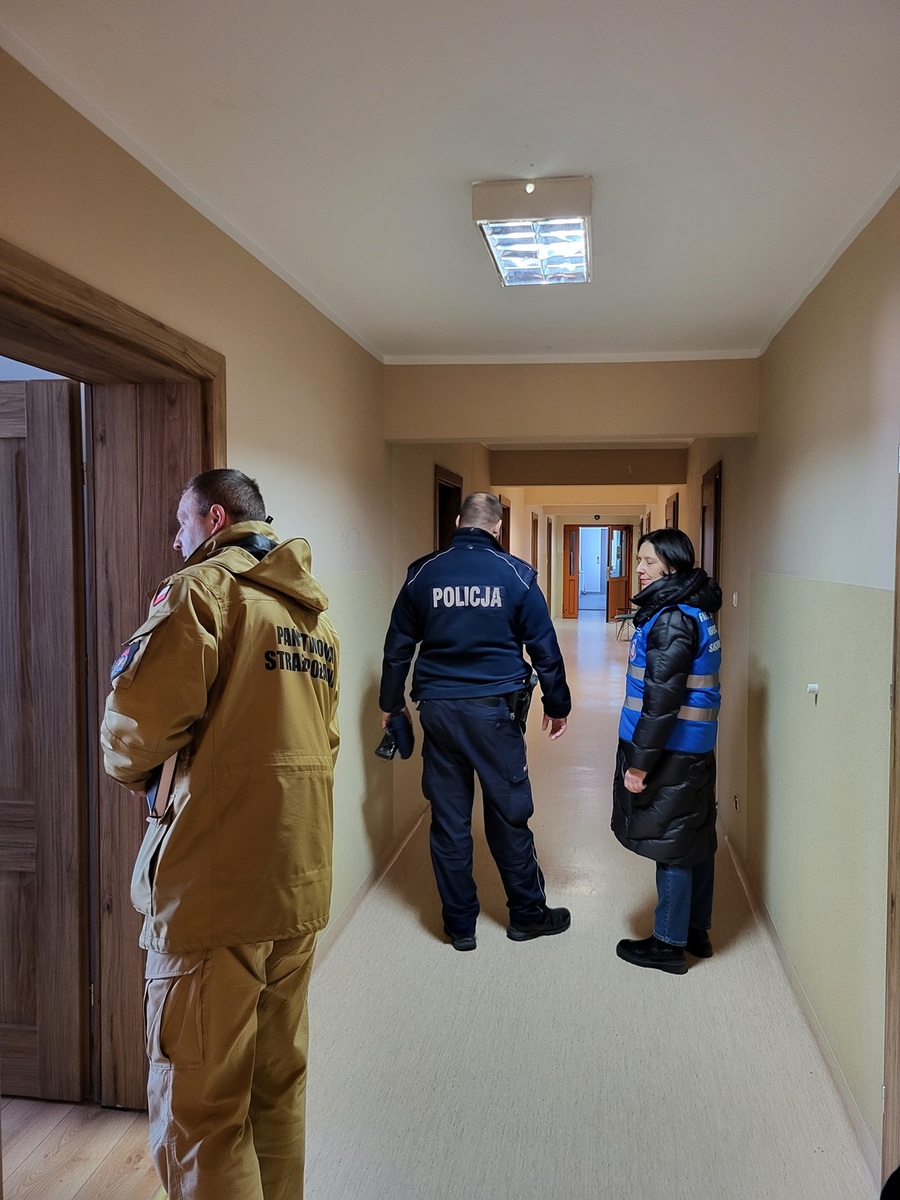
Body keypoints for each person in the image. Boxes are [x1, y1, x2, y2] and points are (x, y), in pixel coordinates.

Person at [101, 468, 339, 1200]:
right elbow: (325, 744)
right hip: (297, 882)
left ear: (213, 519)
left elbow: (131, 737)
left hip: (214, 890)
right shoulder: (313, 618)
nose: (176, 542)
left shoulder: (202, 594)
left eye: (181, 525)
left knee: (203, 1109)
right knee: (277, 1089)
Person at [379, 491, 571, 951]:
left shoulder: (423, 573)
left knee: (449, 821)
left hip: (439, 711)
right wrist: (557, 703)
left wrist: (391, 703)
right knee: (509, 813)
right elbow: (544, 648)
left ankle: (460, 926)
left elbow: (397, 646)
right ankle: (527, 915)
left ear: (458, 521)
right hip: (494, 713)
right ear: (497, 528)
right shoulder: (516, 575)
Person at [611, 528, 722, 976]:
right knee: (695, 836)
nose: (639, 569)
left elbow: (660, 702)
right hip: (694, 746)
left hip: (670, 749)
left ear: (671, 566)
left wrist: (639, 764)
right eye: (639, 560)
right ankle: (696, 930)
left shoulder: (673, 619)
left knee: (671, 842)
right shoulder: (695, 609)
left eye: (648, 561)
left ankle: (668, 945)